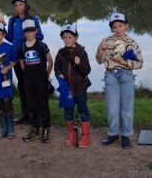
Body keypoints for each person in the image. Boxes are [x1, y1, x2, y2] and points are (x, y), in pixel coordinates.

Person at [96, 13, 143, 148]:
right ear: (112, 29)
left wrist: (124, 62)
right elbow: (99, 60)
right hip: (111, 76)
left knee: (127, 109)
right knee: (112, 108)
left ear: (126, 26)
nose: (118, 29)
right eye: (115, 27)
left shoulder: (132, 43)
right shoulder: (106, 40)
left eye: (120, 26)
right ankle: (113, 133)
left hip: (126, 76)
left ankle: (126, 135)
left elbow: (140, 63)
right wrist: (101, 49)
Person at [5, 0, 44, 124]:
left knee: (32, 86)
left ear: (25, 5)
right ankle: (25, 113)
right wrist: (2, 28)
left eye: (20, 4)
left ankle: (35, 114)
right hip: (17, 58)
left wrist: (28, 38)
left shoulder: (33, 19)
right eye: (16, 5)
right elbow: (10, 38)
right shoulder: (12, 20)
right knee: (22, 85)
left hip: (31, 57)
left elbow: (40, 36)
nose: (18, 7)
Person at [54, 24, 91, 148]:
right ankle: (71, 135)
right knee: (68, 112)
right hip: (67, 90)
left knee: (83, 111)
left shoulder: (82, 52)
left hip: (80, 89)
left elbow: (86, 70)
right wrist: (59, 75)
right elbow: (57, 69)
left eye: (70, 37)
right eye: (64, 37)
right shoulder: (60, 53)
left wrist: (79, 64)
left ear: (76, 37)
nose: (67, 40)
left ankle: (85, 136)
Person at [18, 19, 52, 143]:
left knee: (43, 104)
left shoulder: (42, 45)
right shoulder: (21, 47)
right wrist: (28, 74)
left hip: (41, 79)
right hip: (29, 80)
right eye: (26, 31)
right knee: (32, 105)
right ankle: (35, 129)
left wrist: (46, 75)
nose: (29, 34)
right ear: (24, 33)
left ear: (36, 31)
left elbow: (50, 61)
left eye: (31, 31)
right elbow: (22, 63)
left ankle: (46, 127)